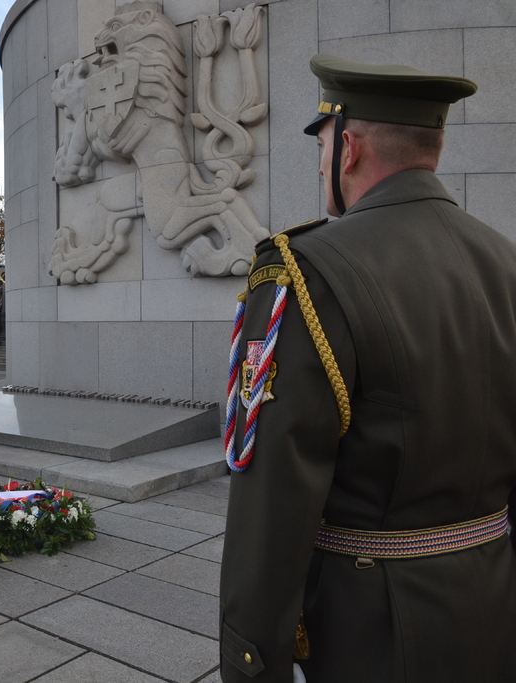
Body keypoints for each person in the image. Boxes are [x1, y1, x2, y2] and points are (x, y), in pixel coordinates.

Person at [219, 55, 516, 683]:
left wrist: (251, 662)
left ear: (349, 147)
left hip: (374, 631)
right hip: (495, 604)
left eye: (321, 148)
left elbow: (274, 498)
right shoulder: (505, 261)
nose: (322, 164)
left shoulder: (309, 272)